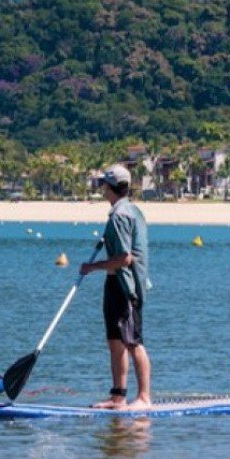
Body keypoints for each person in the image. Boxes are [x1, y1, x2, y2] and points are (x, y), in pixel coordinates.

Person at [80, 164, 152, 410]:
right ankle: (118, 397)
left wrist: (92, 267)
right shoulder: (125, 211)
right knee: (115, 342)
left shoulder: (123, 215)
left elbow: (125, 257)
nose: (101, 188)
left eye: (103, 184)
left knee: (133, 342)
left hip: (126, 285)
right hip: (115, 282)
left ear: (109, 187)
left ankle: (144, 398)